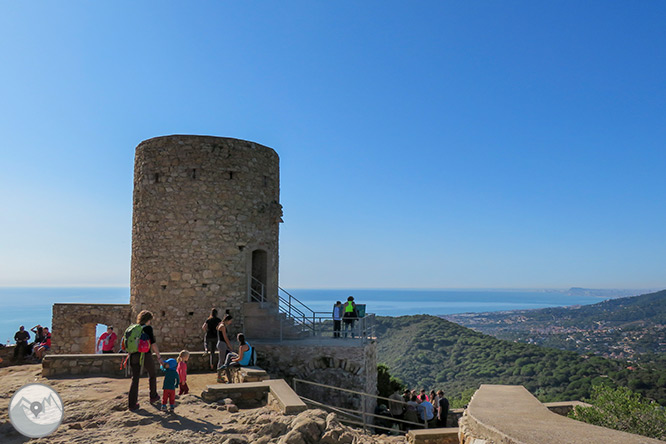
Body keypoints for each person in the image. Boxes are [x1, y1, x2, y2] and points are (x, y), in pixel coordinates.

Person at [128, 310, 164, 411]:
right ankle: (153, 396)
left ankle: (132, 404)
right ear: (148, 319)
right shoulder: (147, 328)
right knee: (152, 374)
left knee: (135, 379)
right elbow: (153, 343)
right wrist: (159, 357)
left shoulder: (134, 328)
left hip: (133, 355)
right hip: (145, 355)